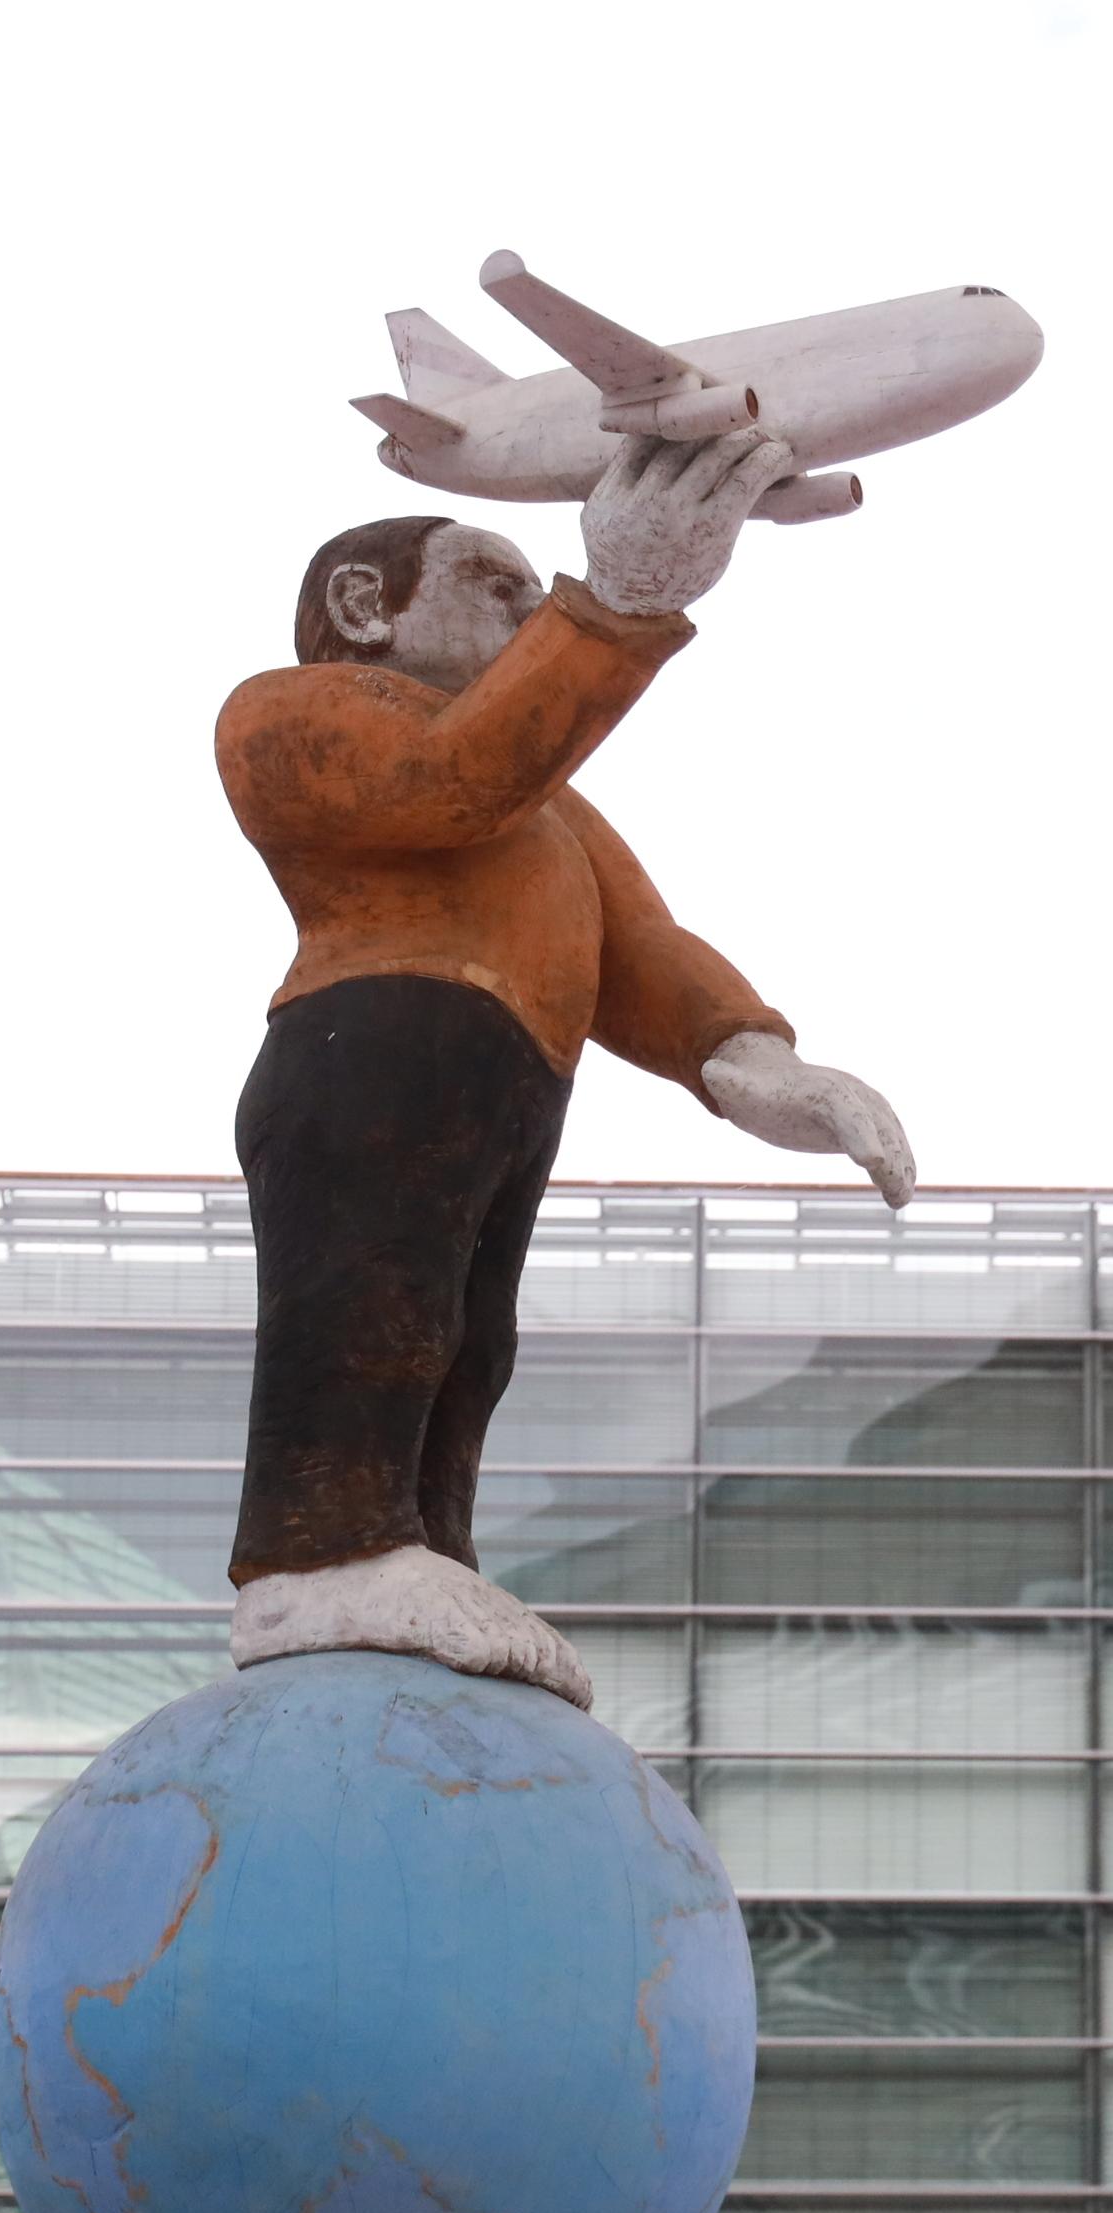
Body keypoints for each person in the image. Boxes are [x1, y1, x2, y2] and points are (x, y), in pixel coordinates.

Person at [214, 428, 911, 1706]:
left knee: (472, 1337)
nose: (533, 608)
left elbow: (638, 943)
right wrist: (617, 607)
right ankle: (322, 1548)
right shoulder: (292, 709)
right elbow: (448, 782)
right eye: (497, 582)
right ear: (366, 605)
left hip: (511, 1075)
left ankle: (422, 1548)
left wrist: (752, 1057)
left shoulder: (554, 802)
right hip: (370, 1040)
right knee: (374, 1304)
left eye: (540, 593)